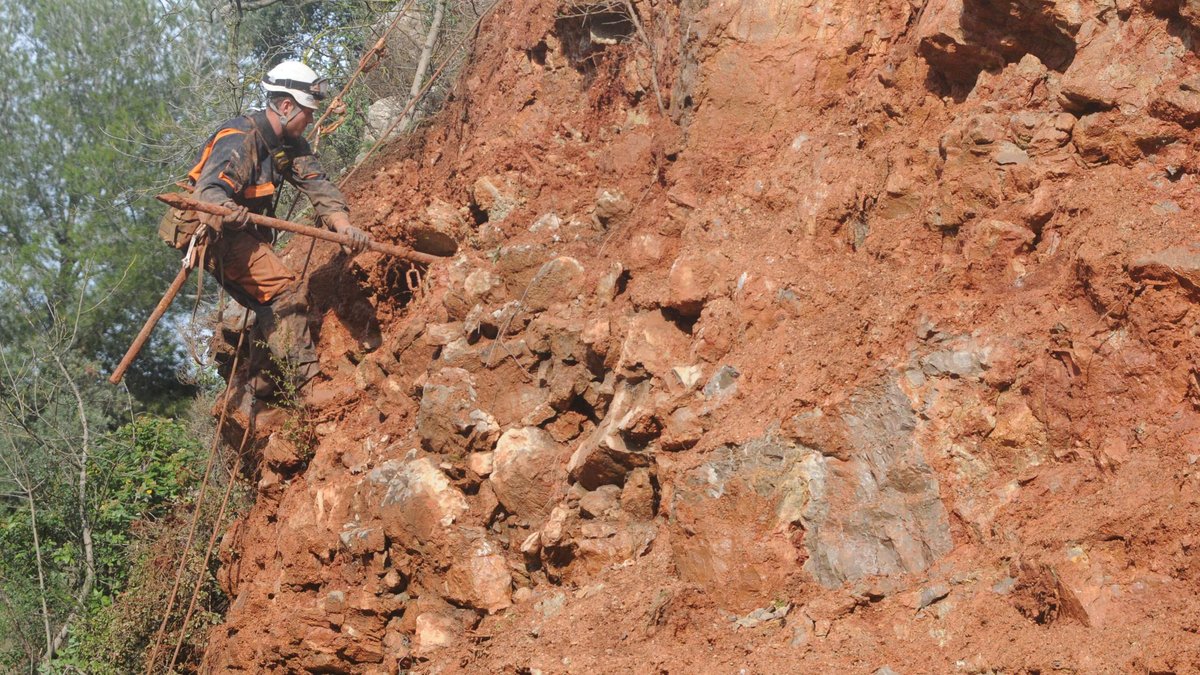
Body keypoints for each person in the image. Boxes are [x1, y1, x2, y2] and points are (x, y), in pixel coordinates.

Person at [168, 60, 370, 413]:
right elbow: (210, 192)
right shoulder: (239, 138)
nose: (310, 119)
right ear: (286, 106)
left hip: (242, 232)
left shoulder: (290, 144)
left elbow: (319, 187)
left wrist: (343, 227)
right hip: (214, 233)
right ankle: (307, 387)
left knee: (265, 302)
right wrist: (226, 209)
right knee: (281, 292)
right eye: (307, 112)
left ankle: (261, 388)